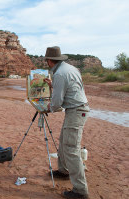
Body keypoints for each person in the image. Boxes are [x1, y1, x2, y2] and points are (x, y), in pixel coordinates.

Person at [43, 46, 90, 199]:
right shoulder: (70, 69)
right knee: (64, 141)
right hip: (76, 110)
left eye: (46, 61)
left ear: (49, 61)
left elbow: (57, 103)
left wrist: (48, 108)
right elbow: (70, 88)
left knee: (71, 148)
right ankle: (63, 171)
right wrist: (52, 86)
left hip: (76, 111)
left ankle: (80, 190)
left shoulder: (60, 74)